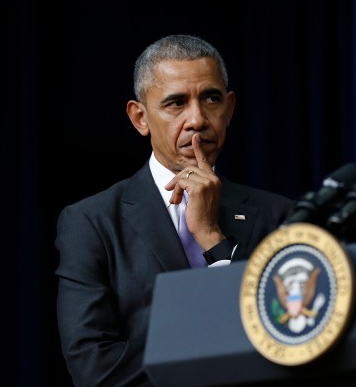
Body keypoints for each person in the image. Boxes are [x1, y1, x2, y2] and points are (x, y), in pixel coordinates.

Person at [55, 34, 294, 386]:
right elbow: (95, 369)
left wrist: (214, 240)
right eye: (176, 103)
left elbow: (293, 340)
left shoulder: (281, 216)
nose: (197, 119)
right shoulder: (91, 222)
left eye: (211, 99)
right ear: (140, 117)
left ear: (229, 109)